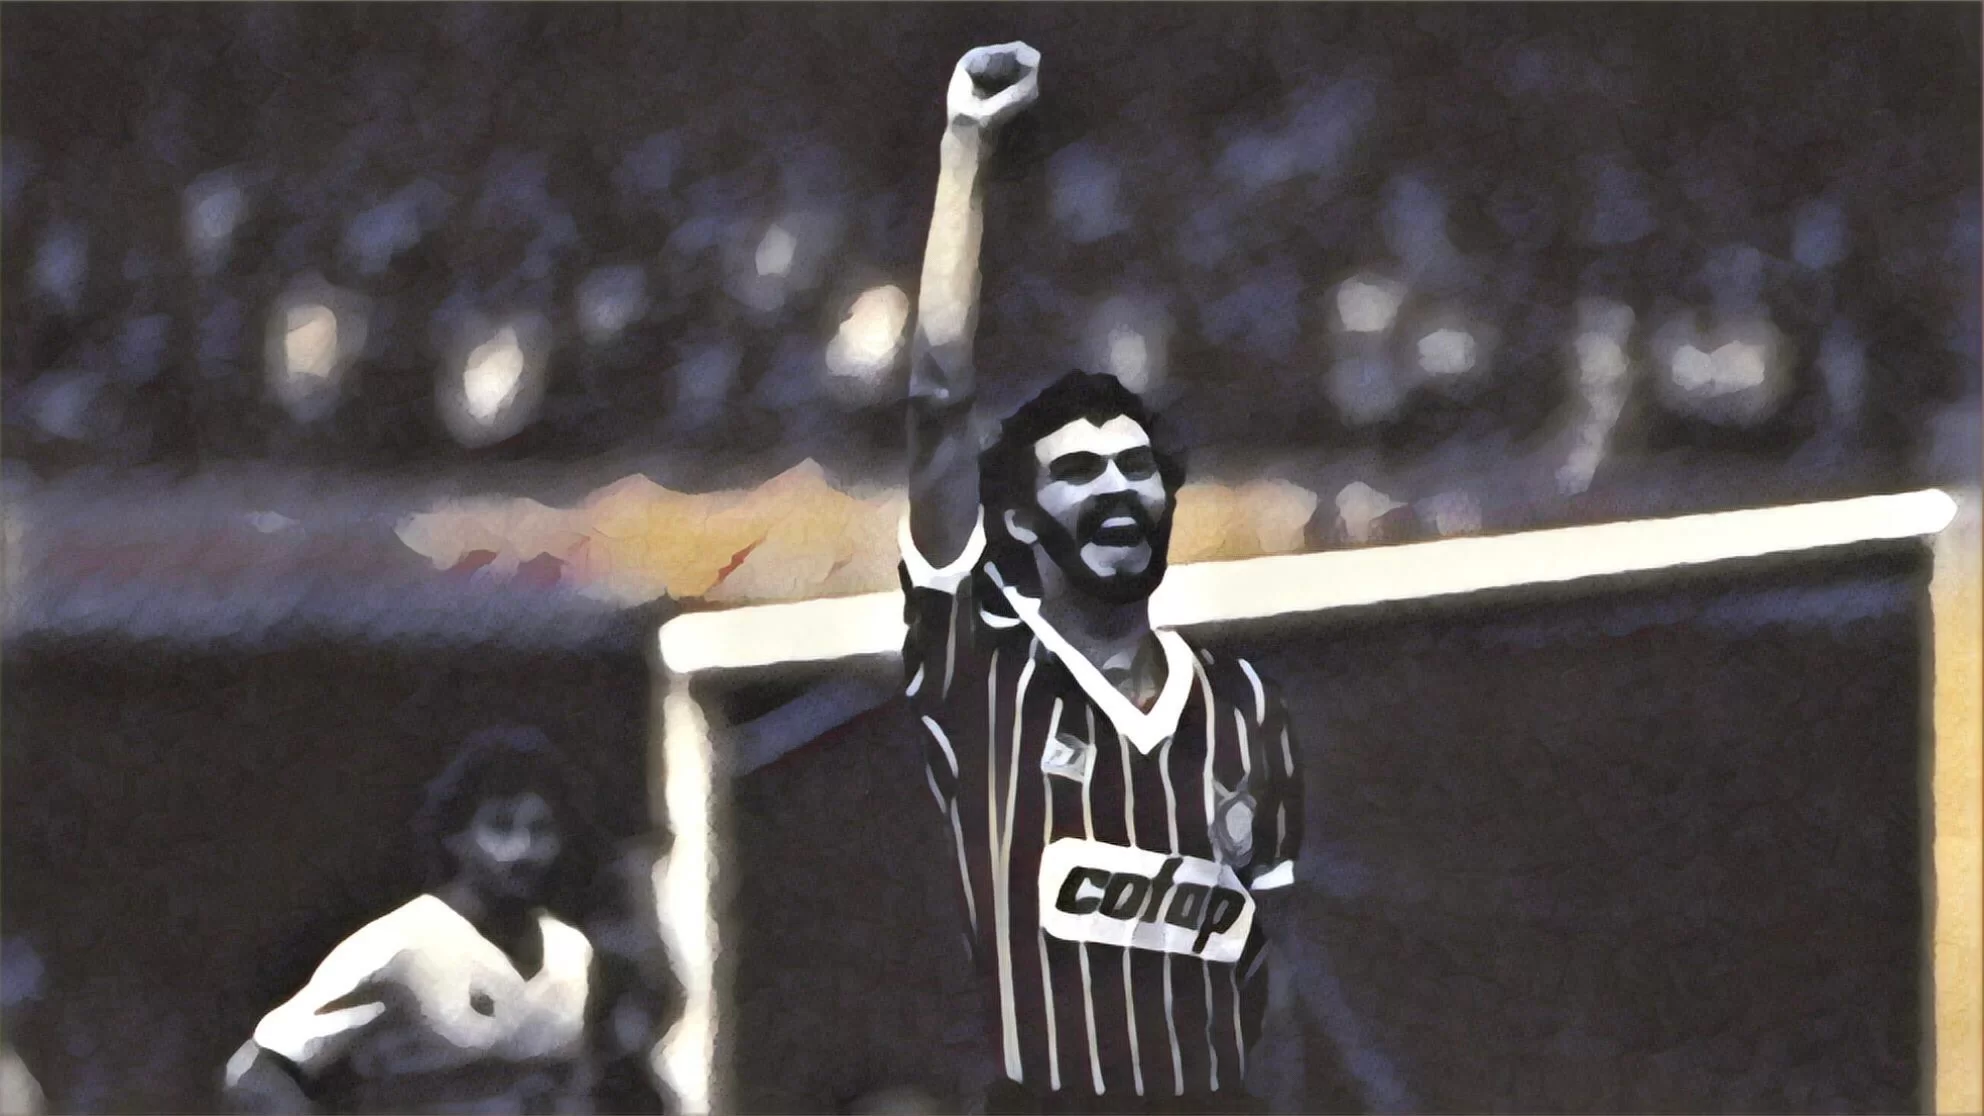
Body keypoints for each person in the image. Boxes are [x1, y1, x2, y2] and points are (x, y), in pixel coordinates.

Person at [899, 43, 1304, 1116]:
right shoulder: (985, 670)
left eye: (1135, 468)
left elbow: (1272, 980)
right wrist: (964, 149)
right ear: (1019, 516)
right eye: (1077, 472)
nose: (1114, 489)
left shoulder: (1238, 708)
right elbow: (937, 400)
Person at [222, 727, 617, 1115]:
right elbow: (257, 1074)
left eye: (541, 830)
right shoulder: (401, 945)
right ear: (456, 836)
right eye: (500, 826)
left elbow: (575, 1089)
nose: (523, 850)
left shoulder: (571, 952)